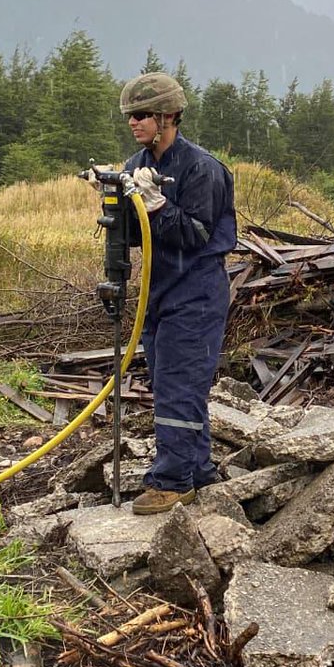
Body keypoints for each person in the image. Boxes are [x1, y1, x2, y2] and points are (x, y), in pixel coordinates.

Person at [120, 71, 237, 515]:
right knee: (170, 381)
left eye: (143, 114)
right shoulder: (137, 166)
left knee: (179, 386)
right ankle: (199, 469)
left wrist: (159, 205)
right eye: (131, 116)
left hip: (197, 290)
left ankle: (171, 481)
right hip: (158, 289)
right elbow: (134, 238)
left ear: (169, 115)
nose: (135, 123)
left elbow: (196, 235)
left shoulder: (201, 169)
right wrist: (114, 201)